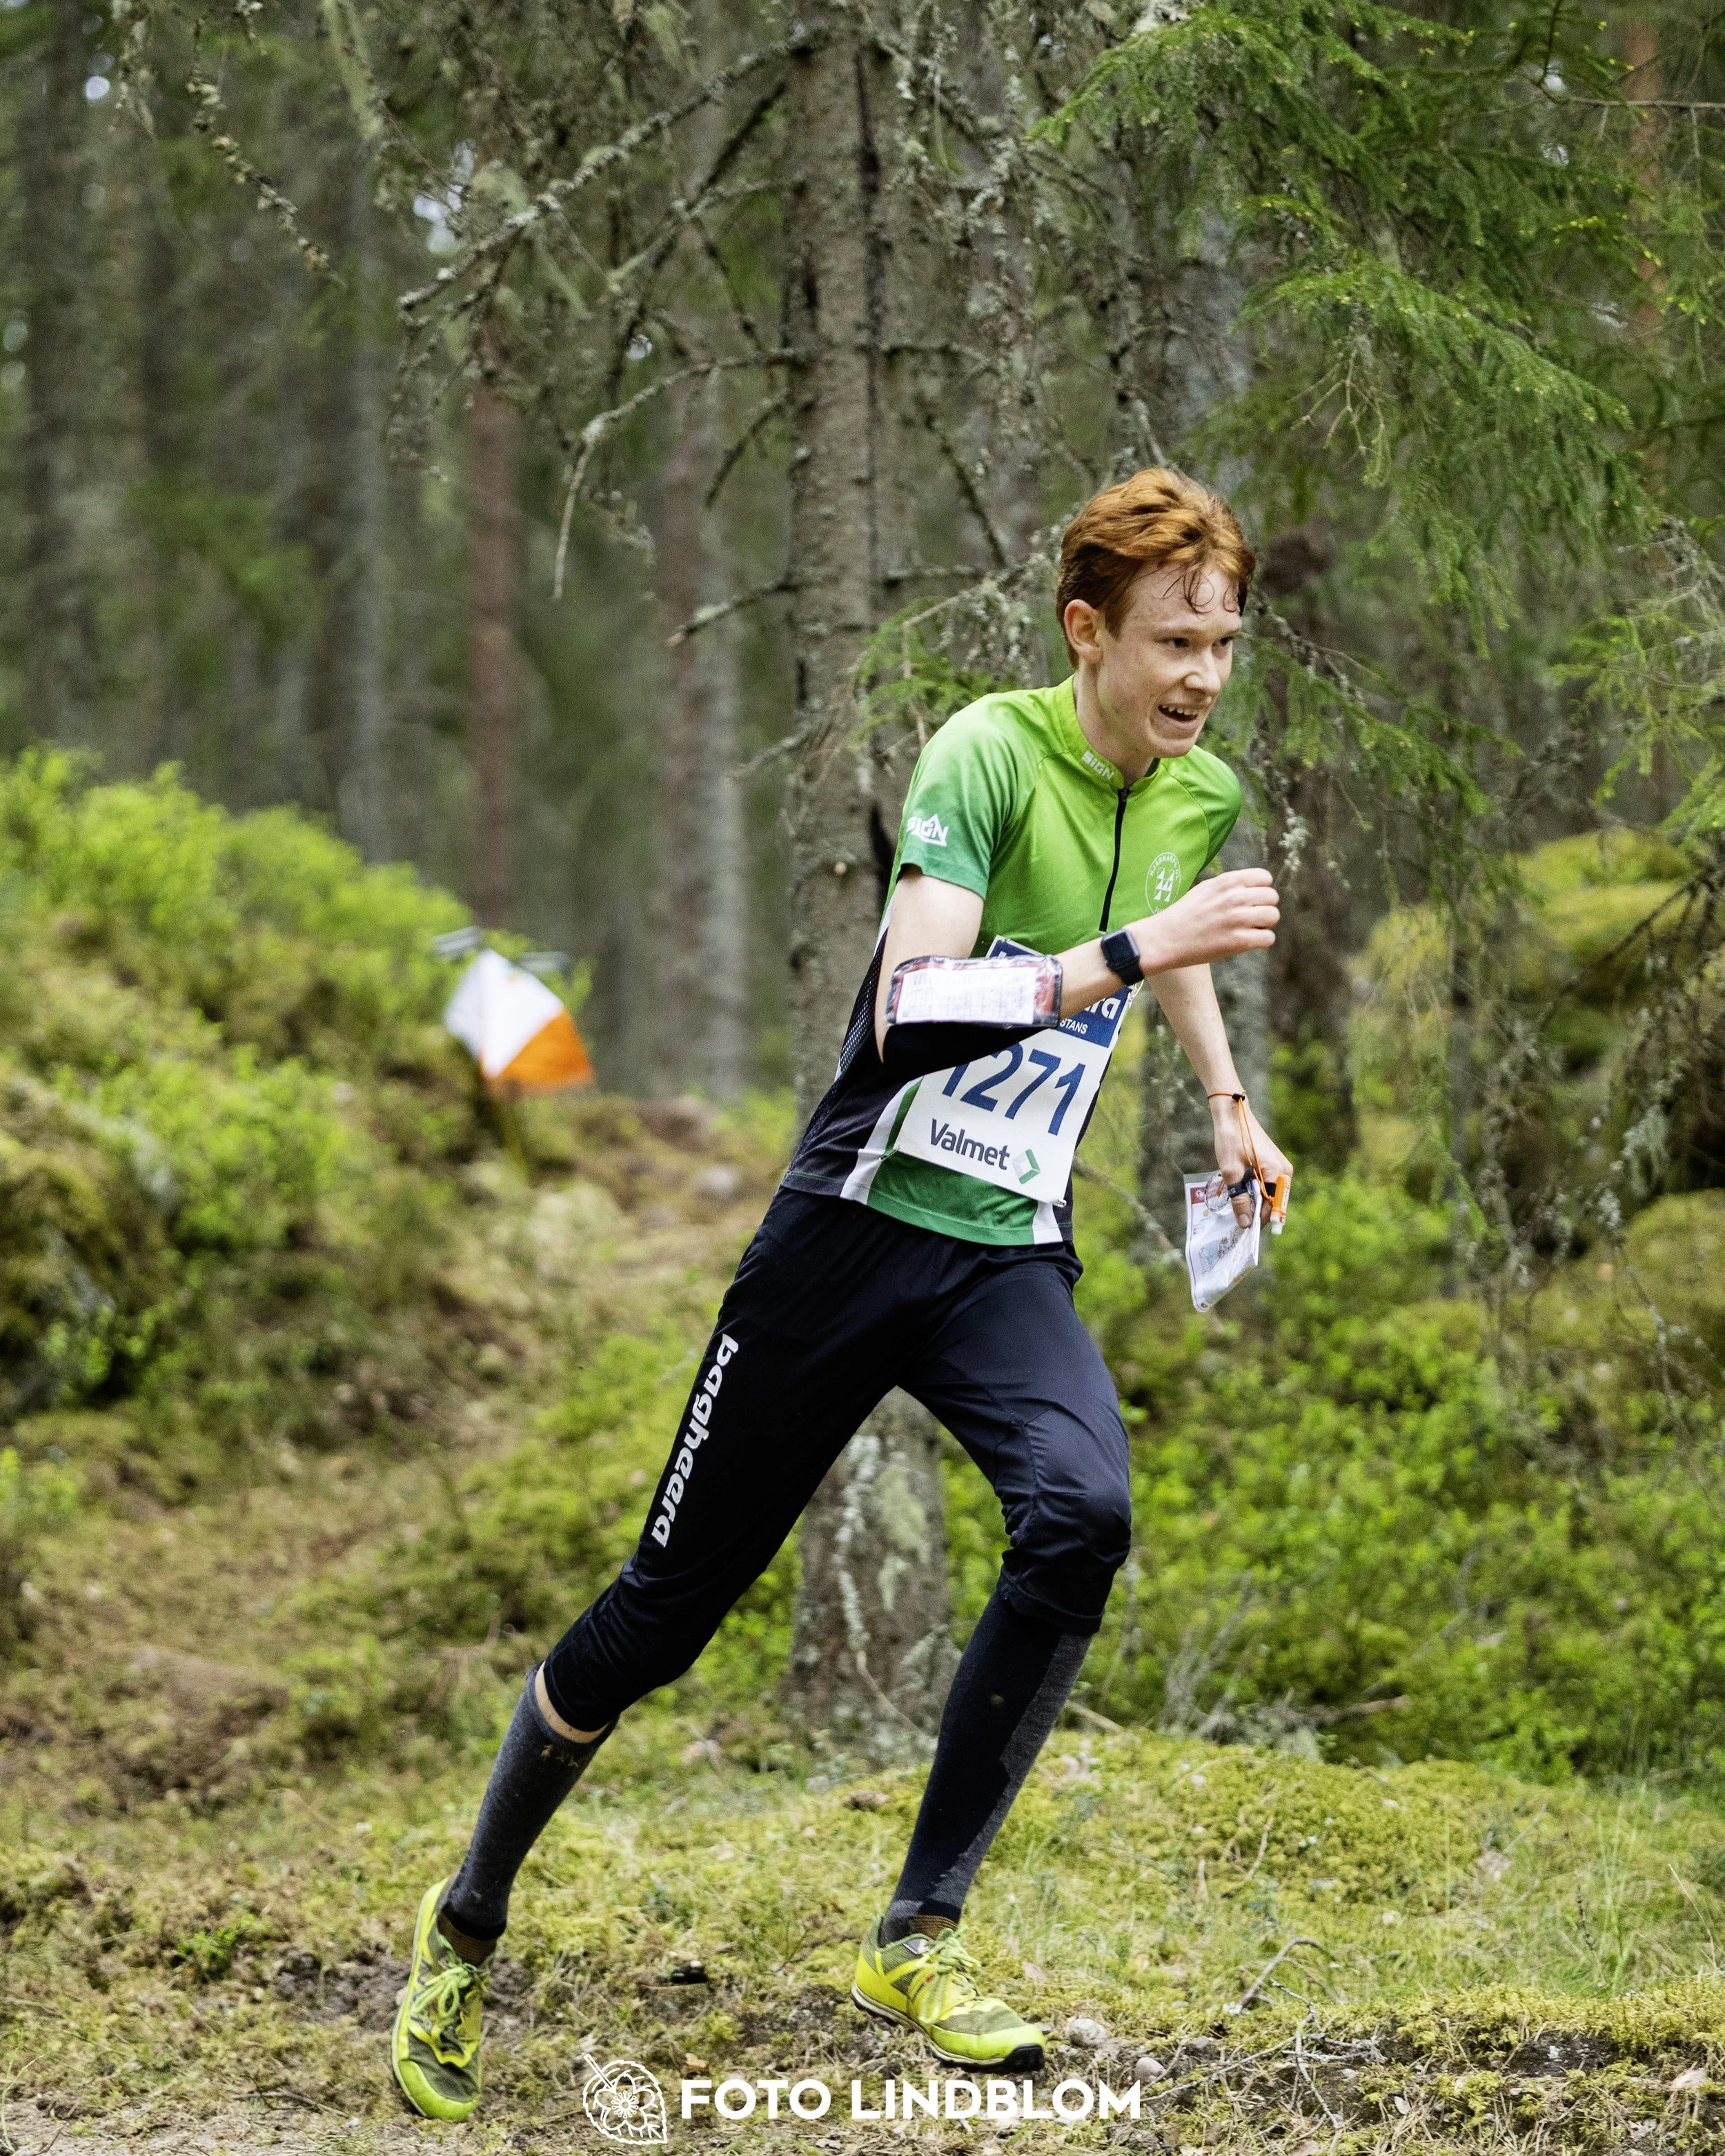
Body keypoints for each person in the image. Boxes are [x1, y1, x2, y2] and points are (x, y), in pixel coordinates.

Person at [391, 467, 1290, 2122]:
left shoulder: (1194, 788)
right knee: (654, 1621)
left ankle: (918, 1930)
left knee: (1080, 1514)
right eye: (1172, 641)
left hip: (1000, 1247)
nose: (1200, 677)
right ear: (1084, 631)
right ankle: (463, 1924)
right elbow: (911, 1008)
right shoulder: (984, 756)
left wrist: (1226, 1099)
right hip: (849, 1233)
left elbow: (1166, 957)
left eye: (1223, 642)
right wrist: (1130, 946)